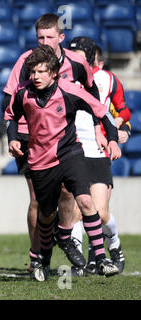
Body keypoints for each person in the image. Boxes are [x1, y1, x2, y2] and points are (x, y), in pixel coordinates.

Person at [4, 45, 121, 281]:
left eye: (41, 72)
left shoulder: (69, 91)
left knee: (86, 201)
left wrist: (112, 140)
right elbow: (11, 117)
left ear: (54, 73)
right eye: (33, 72)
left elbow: (102, 112)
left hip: (70, 154)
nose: (35, 77)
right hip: (39, 161)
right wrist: (13, 139)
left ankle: (100, 259)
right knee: (46, 215)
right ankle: (43, 259)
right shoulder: (22, 93)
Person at [68, 37, 130, 275]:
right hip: (72, 149)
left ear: (89, 56)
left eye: (78, 54)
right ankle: (79, 263)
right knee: (75, 209)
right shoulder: (64, 78)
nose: (73, 58)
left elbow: (122, 110)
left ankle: (114, 245)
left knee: (100, 212)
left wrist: (121, 130)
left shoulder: (106, 79)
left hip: (98, 150)